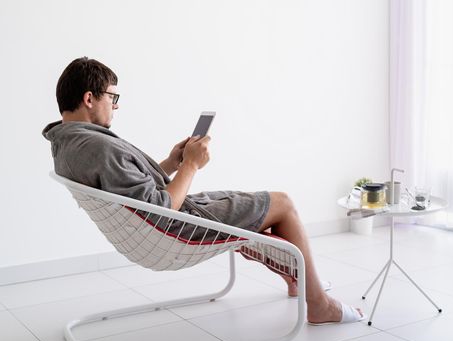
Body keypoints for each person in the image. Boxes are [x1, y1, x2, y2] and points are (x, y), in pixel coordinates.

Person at [43, 57, 365, 325]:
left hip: (157, 226)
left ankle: (298, 281)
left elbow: (129, 190)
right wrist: (191, 166)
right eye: (112, 98)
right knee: (283, 203)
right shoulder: (98, 146)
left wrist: (171, 162)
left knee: (257, 209)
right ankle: (319, 304)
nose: (115, 106)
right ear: (89, 98)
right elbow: (161, 206)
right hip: (176, 228)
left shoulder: (68, 143)